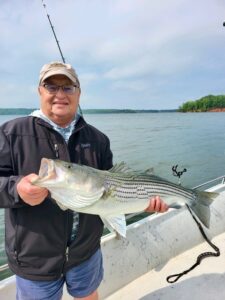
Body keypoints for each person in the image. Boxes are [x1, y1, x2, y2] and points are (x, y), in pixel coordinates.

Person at [0, 61, 168, 300]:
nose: (60, 94)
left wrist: (145, 202)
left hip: (86, 252)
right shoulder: (10, 133)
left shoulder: (98, 139)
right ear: (40, 91)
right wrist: (16, 189)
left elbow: (115, 185)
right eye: (51, 86)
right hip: (34, 259)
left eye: (68, 87)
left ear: (79, 93)